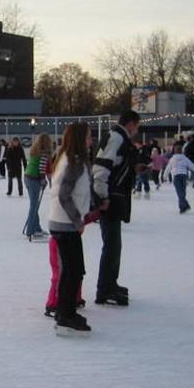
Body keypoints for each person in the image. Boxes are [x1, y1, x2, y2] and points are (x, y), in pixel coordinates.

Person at [48, 122, 96, 336]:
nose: (91, 140)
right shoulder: (74, 162)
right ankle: (65, 315)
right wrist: (78, 220)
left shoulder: (70, 159)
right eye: (88, 136)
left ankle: (64, 311)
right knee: (73, 271)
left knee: (73, 270)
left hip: (64, 223)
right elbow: (64, 195)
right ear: (79, 138)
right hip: (65, 224)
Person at [92, 110, 141, 306]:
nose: (137, 130)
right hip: (110, 198)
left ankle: (109, 284)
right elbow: (101, 168)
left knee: (114, 245)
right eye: (137, 126)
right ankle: (104, 289)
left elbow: (113, 165)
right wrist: (102, 196)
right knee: (111, 245)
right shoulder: (116, 138)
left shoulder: (119, 138)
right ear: (130, 123)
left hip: (114, 196)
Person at [23, 133, 53, 241]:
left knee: (35, 204)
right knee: (34, 205)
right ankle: (31, 230)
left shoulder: (35, 151)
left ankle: (36, 228)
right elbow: (41, 167)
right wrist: (42, 179)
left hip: (28, 177)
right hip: (33, 179)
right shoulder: (44, 153)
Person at [166, 144, 194, 213]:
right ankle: (185, 206)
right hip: (183, 175)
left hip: (176, 176)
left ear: (174, 151)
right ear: (181, 151)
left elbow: (168, 168)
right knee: (182, 192)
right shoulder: (185, 158)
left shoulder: (172, 159)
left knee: (179, 192)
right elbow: (192, 166)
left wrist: (164, 176)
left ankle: (183, 207)